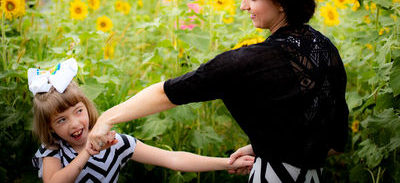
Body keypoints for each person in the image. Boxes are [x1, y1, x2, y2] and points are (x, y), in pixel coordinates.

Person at [88, 0, 349, 183]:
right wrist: (262, 146)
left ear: (280, 2)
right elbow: (334, 140)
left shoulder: (250, 61)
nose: (243, 5)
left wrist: (107, 118)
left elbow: (169, 92)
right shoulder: (325, 48)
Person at [30, 58, 254, 183]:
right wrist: (87, 152)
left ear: (87, 107)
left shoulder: (116, 143)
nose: (75, 124)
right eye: (61, 120)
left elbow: (173, 159)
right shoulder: (53, 150)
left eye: (78, 111)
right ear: (49, 126)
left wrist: (225, 163)